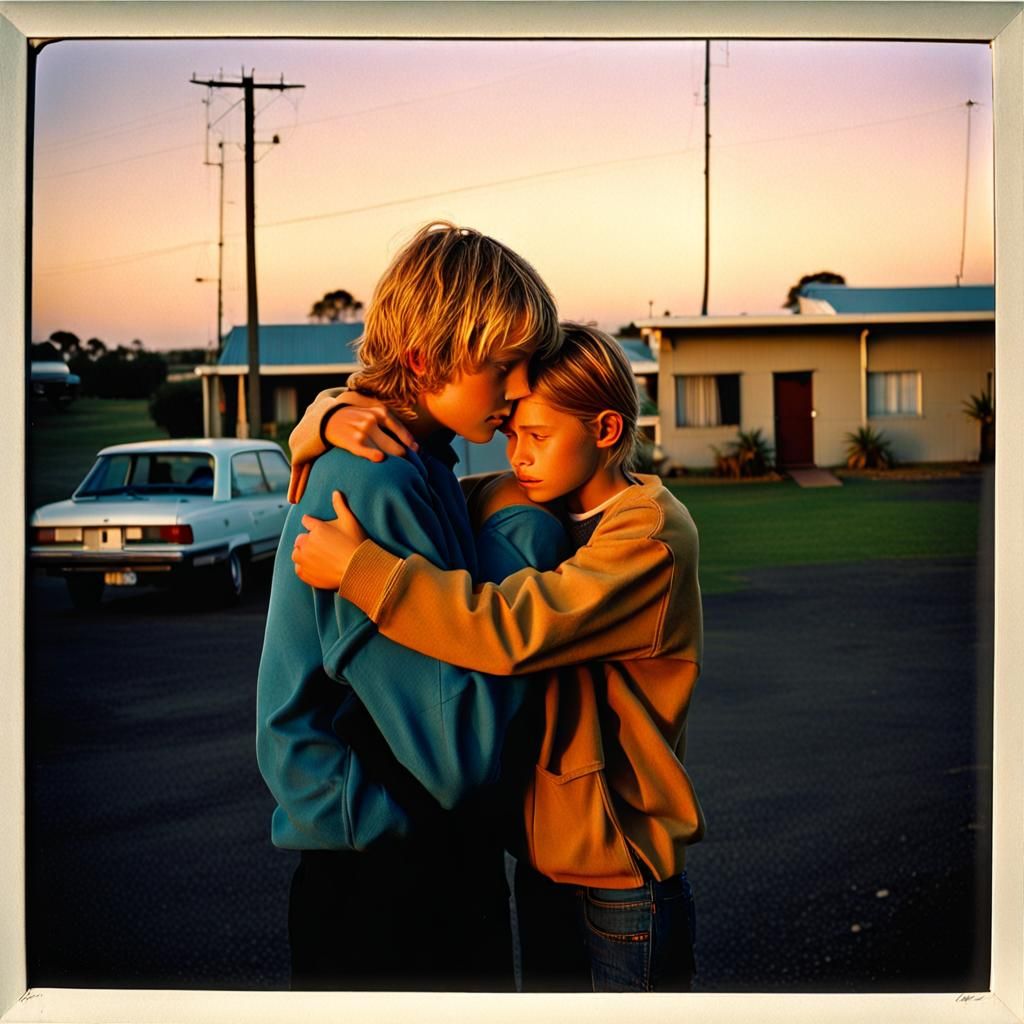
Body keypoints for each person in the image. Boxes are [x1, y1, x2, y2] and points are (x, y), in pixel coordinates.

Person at [292, 323, 705, 992]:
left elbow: (513, 632)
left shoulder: (648, 534)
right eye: (512, 433)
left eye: (537, 438)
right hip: (542, 867)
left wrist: (359, 571)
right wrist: (327, 415)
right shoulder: (530, 495)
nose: (519, 455)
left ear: (604, 431)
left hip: (622, 882)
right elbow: (419, 496)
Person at [255, 220, 561, 991]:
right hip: (389, 888)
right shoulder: (378, 478)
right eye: (505, 366)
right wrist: (525, 542)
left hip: (405, 863)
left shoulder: (417, 461)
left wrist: (321, 415)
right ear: (425, 361)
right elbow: (463, 754)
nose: (522, 389)